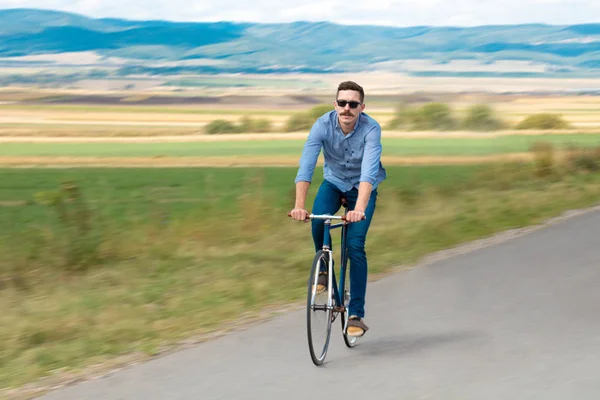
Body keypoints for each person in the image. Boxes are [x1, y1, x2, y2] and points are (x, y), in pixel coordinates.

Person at [289, 81, 386, 337]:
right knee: (318, 221)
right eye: (342, 103)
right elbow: (306, 166)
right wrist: (299, 206)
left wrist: (360, 208)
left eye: (353, 104)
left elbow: (369, 172)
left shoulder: (371, 129)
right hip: (334, 182)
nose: (346, 108)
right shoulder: (322, 125)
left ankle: (355, 314)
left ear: (361, 108)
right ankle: (324, 273)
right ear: (335, 105)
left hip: (362, 189)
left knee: (355, 245)